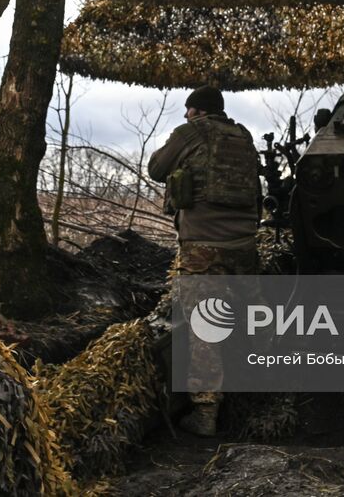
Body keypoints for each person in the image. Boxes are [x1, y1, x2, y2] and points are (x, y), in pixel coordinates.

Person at [148, 85, 260, 436]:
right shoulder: (243, 136)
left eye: (188, 109)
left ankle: (205, 412)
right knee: (254, 311)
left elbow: (156, 168)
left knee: (204, 324)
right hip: (244, 243)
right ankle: (267, 383)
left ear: (197, 111)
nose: (185, 114)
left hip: (202, 245)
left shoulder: (188, 132)